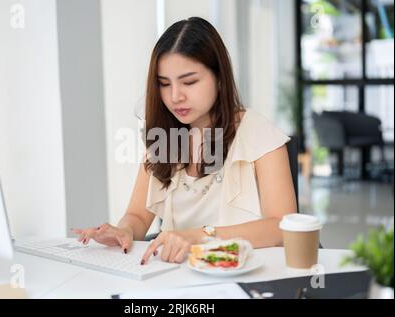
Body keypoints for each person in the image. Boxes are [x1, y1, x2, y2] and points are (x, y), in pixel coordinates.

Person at [73, 17, 297, 265]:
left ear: (219, 78)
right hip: (178, 278)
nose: (175, 96)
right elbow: (137, 215)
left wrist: (201, 236)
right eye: (164, 84)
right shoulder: (165, 136)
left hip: (242, 274)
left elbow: (283, 226)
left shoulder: (258, 133)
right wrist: (123, 231)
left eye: (189, 82)